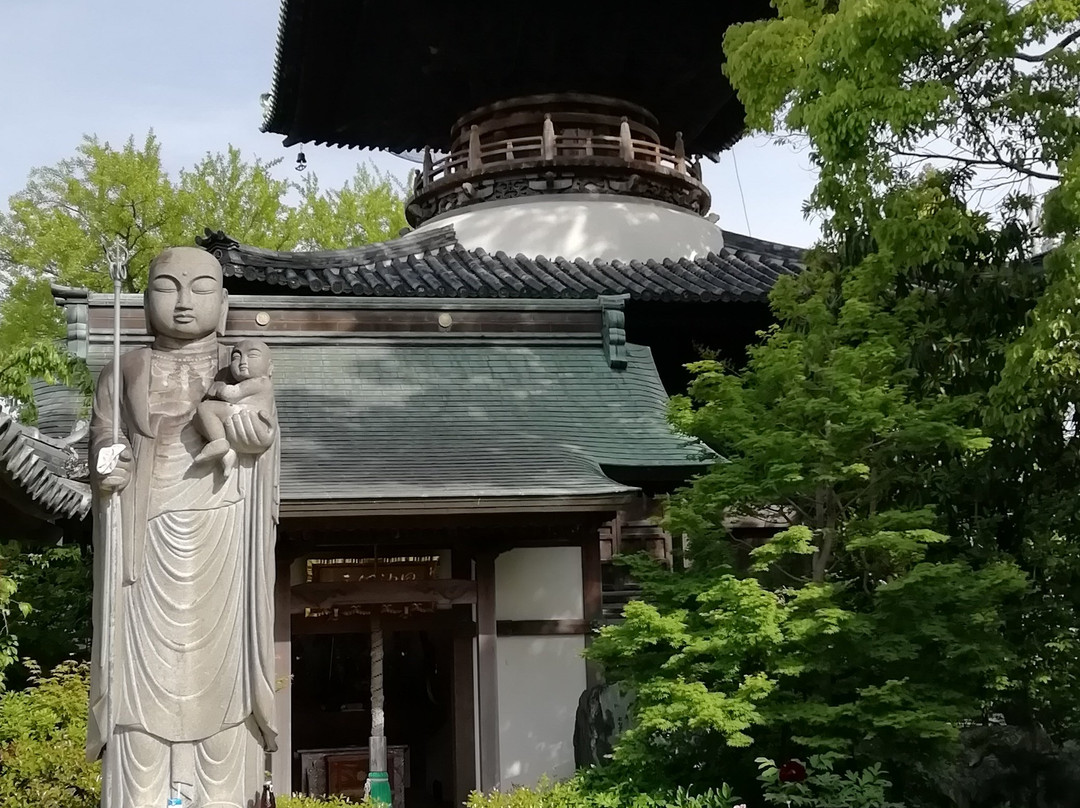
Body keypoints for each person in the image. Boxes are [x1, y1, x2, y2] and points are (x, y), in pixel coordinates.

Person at [88, 246, 279, 807]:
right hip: (143, 532)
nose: (184, 301)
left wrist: (253, 441)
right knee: (137, 683)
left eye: (200, 288)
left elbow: (265, 439)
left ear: (223, 303)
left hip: (223, 522)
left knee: (225, 678)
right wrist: (107, 467)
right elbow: (103, 439)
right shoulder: (123, 367)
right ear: (146, 299)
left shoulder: (244, 364)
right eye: (168, 286)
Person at [194, 338, 275, 475]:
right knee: (199, 420)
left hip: (251, 423)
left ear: (270, 367)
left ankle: (219, 442)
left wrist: (219, 387)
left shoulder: (260, 381)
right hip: (243, 428)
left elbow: (231, 394)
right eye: (236, 357)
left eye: (252, 355)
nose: (243, 362)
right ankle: (228, 454)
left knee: (205, 409)